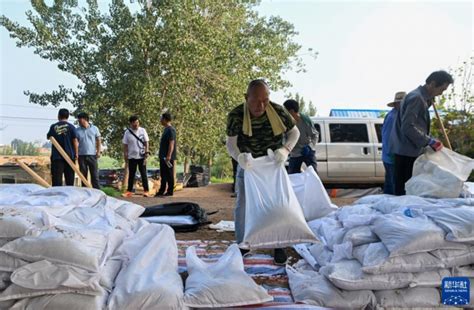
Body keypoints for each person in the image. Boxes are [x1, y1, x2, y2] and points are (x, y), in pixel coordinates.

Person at [226, 79, 300, 265]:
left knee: (278, 204)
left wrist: (285, 150)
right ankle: (243, 244)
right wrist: (239, 157)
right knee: (243, 204)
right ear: (246, 98)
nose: (261, 105)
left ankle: (278, 245)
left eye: (265, 100)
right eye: (256, 100)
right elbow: (231, 144)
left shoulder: (278, 111)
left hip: (273, 163)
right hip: (249, 166)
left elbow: (294, 133)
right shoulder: (236, 115)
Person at [390, 70, 453, 196]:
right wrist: (428, 141)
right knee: (404, 191)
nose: (441, 93)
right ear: (433, 84)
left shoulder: (421, 97)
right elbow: (408, 127)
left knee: (406, 190)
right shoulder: (417, 98)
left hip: (407, 150)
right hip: (406, 152)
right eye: (442, 89)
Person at [283, 99, 318, 174]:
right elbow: (283, 138)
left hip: (308, 151)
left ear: (291, 111)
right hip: (295, 153)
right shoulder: (285, 123)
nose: (284, 114)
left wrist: (309, 146)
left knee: (314, 173)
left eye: (285, 111)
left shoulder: (306, 120)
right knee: (292, 175)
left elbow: (315, 135)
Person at [381, 91, 406, 195]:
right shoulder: (395, 117)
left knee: (390, 185)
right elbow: (390, 138)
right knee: (395, 187)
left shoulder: (391, 115)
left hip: (389, 155)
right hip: (393, 155)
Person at [47, 108, 79, 186]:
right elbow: (75, 140)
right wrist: (76, 153)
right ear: (67, 116)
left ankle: (56, 197)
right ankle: (70, 197)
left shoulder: (53, 127)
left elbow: (48, 137)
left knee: (57, 181)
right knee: (69, 180)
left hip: (57, 157)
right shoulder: (71, 127)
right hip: (69, 157)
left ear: (58, 116)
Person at [122, 115, 151, 197]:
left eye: (137, 122)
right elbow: (125, 145)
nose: (136, 125)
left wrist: (146, 152)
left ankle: (146, 191)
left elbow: (146, 142)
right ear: (131, 123)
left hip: (142, 156)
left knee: (143, 174)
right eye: (135, 123)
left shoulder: (142, 130)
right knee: (131, 174)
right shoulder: (127, 132)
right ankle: (129, 191)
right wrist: (125, 155)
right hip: (132, 157)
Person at [76, 112, 101, 189]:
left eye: (80, 120)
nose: (79, 122)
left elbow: (98, 140)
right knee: (83, 176)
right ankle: (85, 192)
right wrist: (76, 153)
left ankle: (97, 192)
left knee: (94, 175)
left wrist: (98, 151)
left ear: (85, 119)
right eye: (78, 121)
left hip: (92, 155)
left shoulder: (95, 128)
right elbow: (75, 142)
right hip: (81, 156)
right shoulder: (77, 130)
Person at [156, 112, 177, 197]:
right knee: (163, 174)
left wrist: (168, 155)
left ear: (165, 119)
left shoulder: (171, 130)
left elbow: (171, 143)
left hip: (168, 157)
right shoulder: (166, 129)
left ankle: (170, 191)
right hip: (163, 156)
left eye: (161, 119)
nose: (160, 120)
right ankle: (161, 190)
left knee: (169, 174)